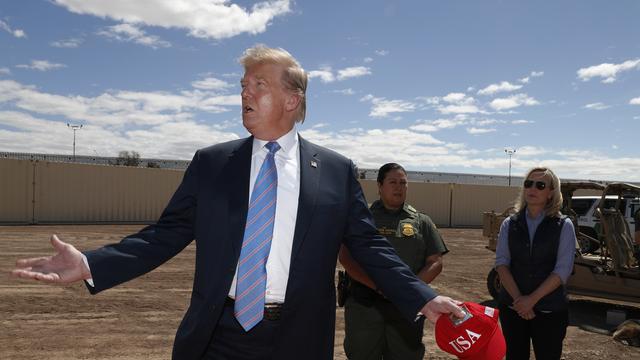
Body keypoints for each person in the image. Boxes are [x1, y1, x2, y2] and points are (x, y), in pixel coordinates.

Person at [11, 45, 463, 360]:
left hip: (298, 338)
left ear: (292, 99)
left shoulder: (336, 171)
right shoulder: (212, 163)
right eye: (242, 84)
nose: (244, 92)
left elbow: (369, 247)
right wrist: (90, 263)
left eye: (257, 84)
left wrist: (422, 296)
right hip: (216, 334)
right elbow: (164, 236)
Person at [339, 163, 448, 360]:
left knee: (405, 355)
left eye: (403, 183)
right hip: (365, 306)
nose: (399, 187)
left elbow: (435, 262)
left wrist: (409, 289)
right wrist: (380, 287)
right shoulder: (361, 219)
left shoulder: (421, 221)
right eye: (393, 182)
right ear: (380, 186)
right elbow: (346, 258)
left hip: (406, 309)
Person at [495, 167, 577, 360]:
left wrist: (531, 300)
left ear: (551, 193)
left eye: (540, 185)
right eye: (528, 183)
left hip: (550, 310)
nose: (532, 188)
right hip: (513, 308)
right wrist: (519, 301)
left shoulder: (564, 225)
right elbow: (501, 264)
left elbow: (563, 270)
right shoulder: (509, 224)